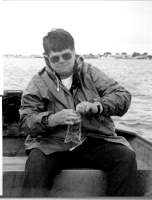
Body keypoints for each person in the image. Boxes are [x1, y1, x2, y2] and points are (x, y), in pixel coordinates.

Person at [19, 28, 137, 197]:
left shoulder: (91, 73)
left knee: (125, 157)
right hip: (52, 144)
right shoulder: (37, 83)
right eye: (55, 58)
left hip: (94, 141)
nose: (62, 61)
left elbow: (122, 96)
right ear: (46, 58)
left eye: (66, 55)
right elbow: (25, 122)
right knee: (36, 162)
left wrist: (97, 106)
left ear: (74, 52)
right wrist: (53, 119)